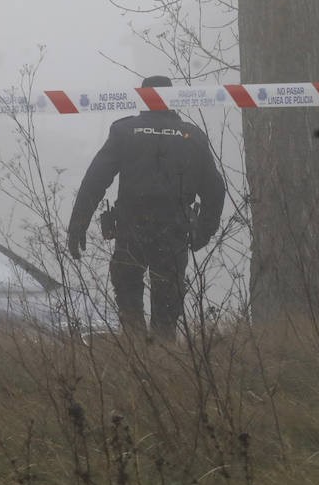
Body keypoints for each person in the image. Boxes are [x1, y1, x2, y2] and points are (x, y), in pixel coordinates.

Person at [67, 76, 226, 342]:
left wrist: (78, 225)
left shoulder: (124, 131)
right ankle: (163, 367)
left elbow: (94, 181)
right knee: (166, 315)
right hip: (173, 232)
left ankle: (136, 359)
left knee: (130, 308)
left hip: (132, 230)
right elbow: (215, 190)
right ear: (173, 99)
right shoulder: (192, 136)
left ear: (141, 97)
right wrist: (204, 232)